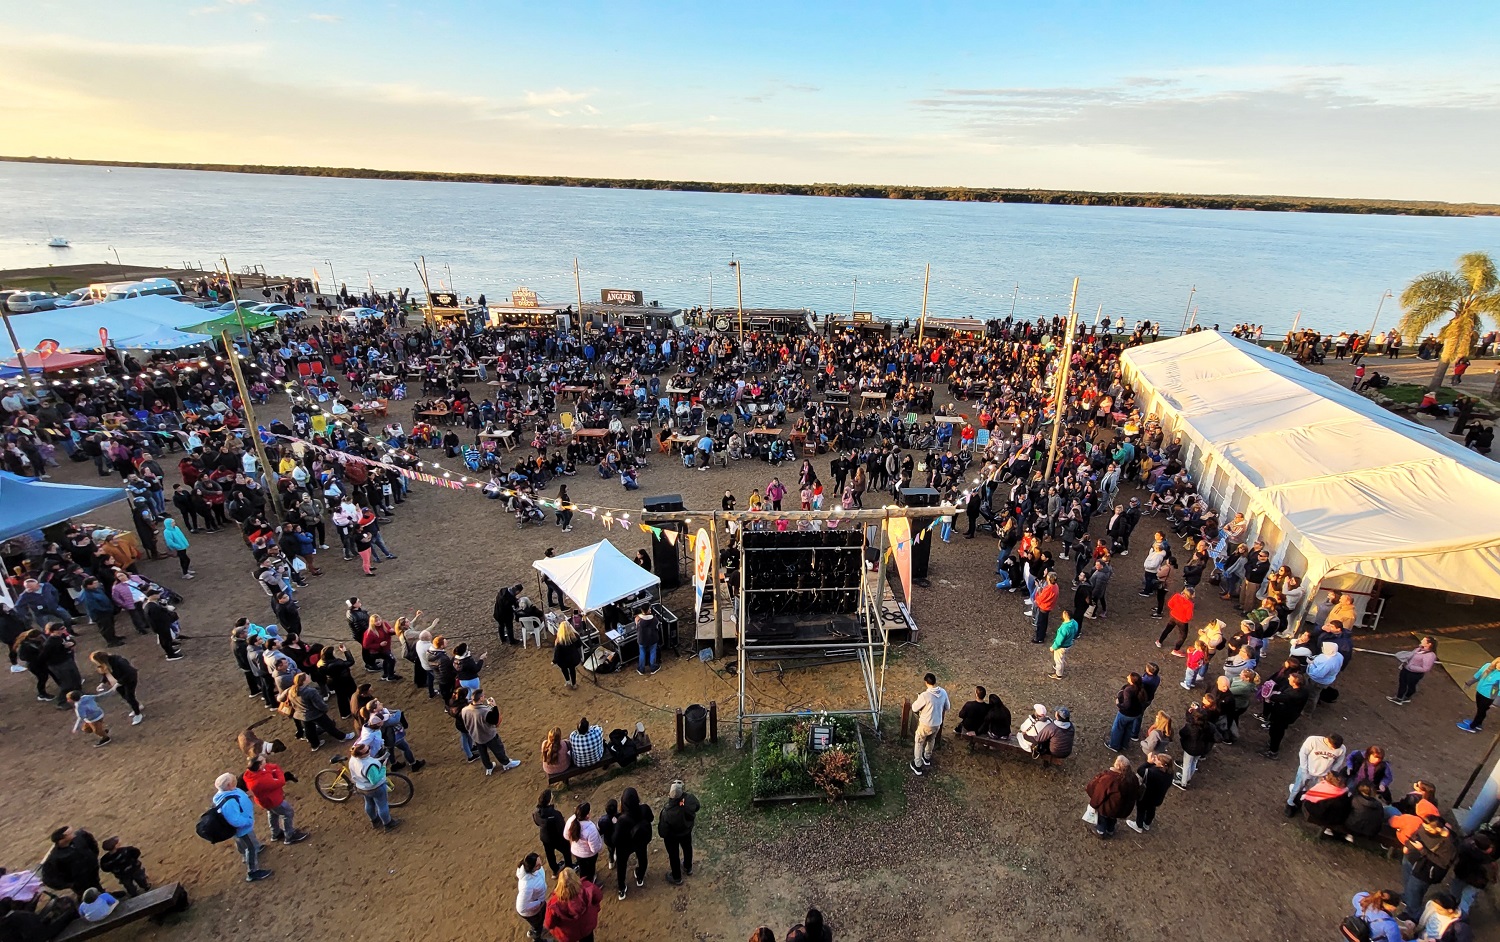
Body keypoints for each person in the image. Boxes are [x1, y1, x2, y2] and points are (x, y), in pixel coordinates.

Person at [212, 772, 273, 881]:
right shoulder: (229, 803)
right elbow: (235, 820)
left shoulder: (226, 793)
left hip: (241, 829)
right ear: (229, 785)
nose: (235, 780)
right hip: (243, 828)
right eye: (233, 780)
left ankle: (248, 854)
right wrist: (248, 821)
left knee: (242, 842)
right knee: (250, 847)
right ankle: (252, 872)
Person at [242, 754, 310, 845]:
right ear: (259, 766)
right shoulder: (261, 780)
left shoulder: (250, 774)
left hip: (265, 801)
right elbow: (281, 781)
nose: (265, 760)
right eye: (263, 760)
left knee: (273, 814)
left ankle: (276, 833)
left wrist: (273, 768)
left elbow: (271, 767)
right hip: (273, 800)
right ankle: (290, 836)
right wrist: (277, 770)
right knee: (288, 812)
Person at [1403, 816, 1459, 918]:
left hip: (1427, 870)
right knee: (1409, 884)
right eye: (1424, 827)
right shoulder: (1427, 827)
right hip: (1414, 859)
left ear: (1438, 829)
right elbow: (1417, 834)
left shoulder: (1450, 845)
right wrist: (1407, 845)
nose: (1425, 829)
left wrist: (1422, 850)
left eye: (1428, 829)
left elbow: (1442, 863)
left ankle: (1413, 914)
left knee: (1415, 889)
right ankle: (1407, 898)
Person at [462, 688, 522, 776]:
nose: (484, 696)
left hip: (476, 736)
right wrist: (494, 706)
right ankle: (506, 763)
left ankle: (488, 767)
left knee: (483, 753)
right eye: (483, 696)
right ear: (481, 698)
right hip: (489, 736)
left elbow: (467, 722)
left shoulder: (465, 710)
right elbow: (495, 720)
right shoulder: (484, 711)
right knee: (498, 749)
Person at [347, 742, 399, 832]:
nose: (369, 750)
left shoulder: (353, 759)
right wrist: (383, 768)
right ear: (362, 754)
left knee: (369, 803)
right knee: (382, 805)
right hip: (375, 788)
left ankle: (374, 820)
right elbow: (375, 780)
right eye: (367, 750)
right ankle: (388, 824)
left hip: (361, 787)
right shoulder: (369, 765)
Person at [1085, 754, 1140, 838]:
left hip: (1108, 807)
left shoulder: (1110, 779)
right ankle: (1110, 830)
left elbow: (1099, 794)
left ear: (1117, 766)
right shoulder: (1133, 778)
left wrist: (1093, 805)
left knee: (1102, 819)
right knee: (1113, 819)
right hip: (1121, 808)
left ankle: (1100, 832)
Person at [614, 786, 654, 900]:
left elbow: (615, 839)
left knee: (621, 866)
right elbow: (651, 818)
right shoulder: (644, 809)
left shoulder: (621, 820)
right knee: (642, 857)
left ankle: (621, 888)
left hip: (625, 846)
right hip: (640, 841)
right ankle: (640, 877)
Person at [40, 826, 101, 898]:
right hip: (80, 883)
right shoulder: (55, 858)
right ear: (62, 839)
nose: (74, 834)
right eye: (70, 834)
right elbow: (48, 878)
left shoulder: (80, 837)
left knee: (98, 887)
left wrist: (93, 857)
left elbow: (92, 844)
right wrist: (69, 884)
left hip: (93, 872)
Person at [658, 780, 700, 885]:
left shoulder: (666, 812)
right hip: (686, 831)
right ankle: (688, 867)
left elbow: (662, 832)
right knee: (687, 848)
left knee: (674, 855)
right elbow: (697, 806)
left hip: (672, 837)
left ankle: (676, 877)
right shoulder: (689, 799)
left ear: (670, 795)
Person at [543, 868, 602, 942]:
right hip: (587, 925)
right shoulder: (588, 887)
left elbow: (549, 924)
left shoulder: (554, 903)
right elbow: (598, 897)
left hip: (568, 934)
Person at [910, 672, 950, 775]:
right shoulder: (943, 692)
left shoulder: (924, 695)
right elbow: (947, 707)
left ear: (926, 682)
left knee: (919, 742)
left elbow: (914, 708)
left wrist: (919, 699)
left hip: (925, 724)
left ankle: (917, 765)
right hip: (937, 723)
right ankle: (927, 758)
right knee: (931, 740)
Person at [88, 650, 143, 726]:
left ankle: (138, 714)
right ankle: (137, 706)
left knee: (129, 696)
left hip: (129, 680)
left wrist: (118, 684)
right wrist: (102, 683)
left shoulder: (118, 661)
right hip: (118, 682)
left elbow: (129, 673)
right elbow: (106, 673)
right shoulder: (104, 664)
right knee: (125, 696)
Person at [1129, 751, 1173, 833]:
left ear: (1161, 765)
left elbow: (1140, 771)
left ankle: (1138, 825)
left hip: (1146, 796)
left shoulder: (1152, 773)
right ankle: (1147, 823)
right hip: (1158, 798)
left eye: (1157, 759)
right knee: (1151, 809)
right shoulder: (1170, 773)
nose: (1155, 758)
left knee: (1141, 809)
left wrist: (1148, 762)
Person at [534, 789, 574, 875]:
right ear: (549, 801)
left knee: (550, 854)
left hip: (545, 837)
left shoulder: (536, 812)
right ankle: (569, 868)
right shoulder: (555, 814)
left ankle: (555, 870)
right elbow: (562, 827)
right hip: (557, 838)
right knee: (566, 850)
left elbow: (537, 822)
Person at [566, 802, 606, 885]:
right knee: (590, 869)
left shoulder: (571, 821)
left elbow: (566, 836)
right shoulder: (590, 829)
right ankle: (590, 883)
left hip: (576, 852)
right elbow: (594, 849)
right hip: (589, 855)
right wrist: (600, 845)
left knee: (582, 868)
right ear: (587, 815)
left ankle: (582, 882)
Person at [1390, 636, 1438, 705]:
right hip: (1406, 669)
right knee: (1403, 683)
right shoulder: (1419, 649)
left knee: (1409, 685)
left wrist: (1411, 667)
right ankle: (1401, 697)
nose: (1421, 641)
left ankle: (1403, 697)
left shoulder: (1430, 656)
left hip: (1414, 674)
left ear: (1429, 644)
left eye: (1424, 640)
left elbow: (1426, 668)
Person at [1458, 656, 1500, 733]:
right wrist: (1469, 683)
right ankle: (1478, 724)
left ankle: (1472, 727)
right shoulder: (1487, 666)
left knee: (1481, 711)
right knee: (1481, 709)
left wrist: (1496, 701)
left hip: (1488, 697)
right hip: (1479, 692)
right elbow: (1478, 675)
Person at [1107, 673, 1148, 751]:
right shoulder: (1141, 689)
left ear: (1132, 681)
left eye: (1129, 676)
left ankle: (1114, 746)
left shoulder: (1128, 690)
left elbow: (1127, 704)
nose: (1127, 677)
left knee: (1118, 728)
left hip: (1126, 714)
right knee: (1128, 729)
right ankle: (1124, 744)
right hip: (1135, 714)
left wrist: (1118, 704)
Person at [515, 853, 549, 940]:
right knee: (538, 926)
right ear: (532, 868)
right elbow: (522, 907)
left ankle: (534, 930)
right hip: (532, 912)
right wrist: (538, 903)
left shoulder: (536, 870)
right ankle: (536, 937)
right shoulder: (527, 886)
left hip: (540, 903)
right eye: (538, 865)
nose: (541, 865)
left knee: (542, 918)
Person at [1048, 608, 1077, 680]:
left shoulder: (1064, 628)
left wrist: (1053, 647)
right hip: (1069, 644)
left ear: (1066, 616)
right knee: (1062, 657)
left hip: (1061, 647)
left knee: (1058, 661)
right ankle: (1060, 667)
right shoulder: (1074, 623)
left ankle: (1058, 675)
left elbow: (1059, 641)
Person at [553, 619, 583, 689]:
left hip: (563, 660)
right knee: (572, 669)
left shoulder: (559, 640)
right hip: (573, 658)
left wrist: (554, 660)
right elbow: (579, 644)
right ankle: (574, 684)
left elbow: (557, 652)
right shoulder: (575, 636)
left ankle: (567, 681)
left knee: (564, 669)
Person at [635, 607, 660, 675]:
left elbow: (637, 627)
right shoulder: (654, 619)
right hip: (652, 639)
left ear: (642, 610)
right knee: (652, 652)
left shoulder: (638, 619)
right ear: (648, 610)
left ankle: (641, 669)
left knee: (642, 653)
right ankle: (653, 668)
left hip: (642, 640)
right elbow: (657, 627)